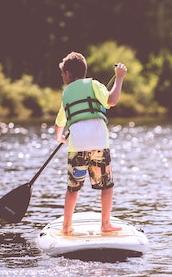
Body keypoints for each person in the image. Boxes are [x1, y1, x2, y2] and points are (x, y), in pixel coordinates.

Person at [54, 51, 127, 235]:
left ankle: (66, 226)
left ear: (68, 74)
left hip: (77, 145)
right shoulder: (94, 84)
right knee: (106, 186)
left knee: (73, 188)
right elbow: (112, 100)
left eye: (62, 74)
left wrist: (59, 137)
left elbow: (60, 121)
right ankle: (105, 224)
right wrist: (119, 78)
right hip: (99, 143)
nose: (62, 77)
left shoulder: (66, 93)